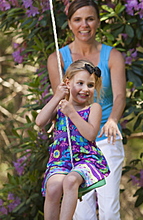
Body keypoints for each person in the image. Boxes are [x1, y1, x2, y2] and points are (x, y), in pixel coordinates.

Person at [47, 0, 126, 219]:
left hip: (104, 137)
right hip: (76, 141)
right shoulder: (58, 58)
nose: (84, 25)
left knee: (109, 208)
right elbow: (61, 100)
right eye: (78, 19)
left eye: (90, 19)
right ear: (69, 23)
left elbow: (120, 96)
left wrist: (112, 120)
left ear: (98, 22)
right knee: (83, 212)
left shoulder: (112, 56)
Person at [36, 60, 110, 220]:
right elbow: (40, 121)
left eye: (90, 85)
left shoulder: (93, 108)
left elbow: (90, 135)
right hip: (60, 159)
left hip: (86, 159)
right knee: (54, 187)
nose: (85, 89)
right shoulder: (60, 105)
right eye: (80, 83)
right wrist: (57, 96)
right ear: (68, 83)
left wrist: (72, 113)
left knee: (70, 180)